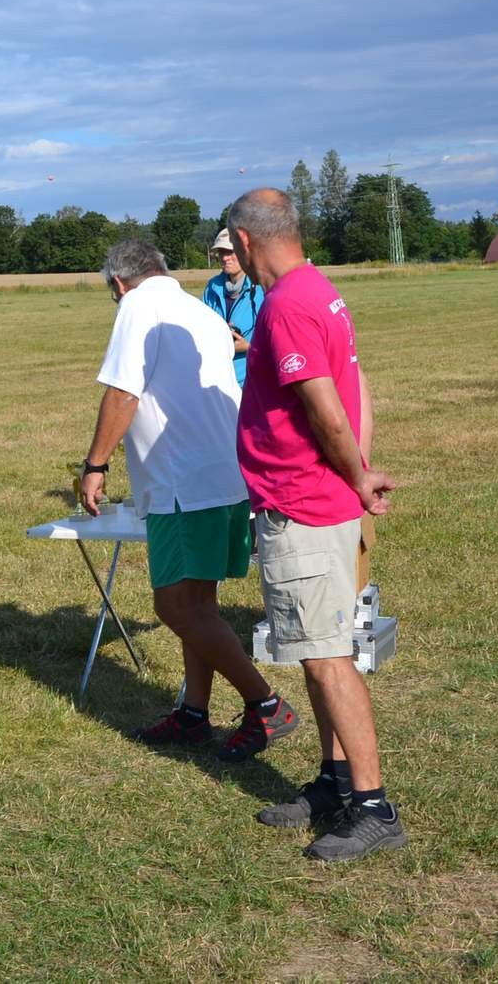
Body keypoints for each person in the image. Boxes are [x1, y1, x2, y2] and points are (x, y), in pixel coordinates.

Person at [226, 187, 405, 862]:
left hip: (303, 504)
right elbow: (360, 386)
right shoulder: (320, 291)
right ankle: (334, 783)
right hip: (317, 499)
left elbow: (325, 403)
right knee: (313, 646)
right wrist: (360, 469)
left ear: (246, 241)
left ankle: (373, 806)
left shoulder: (286, 306)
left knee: (328, 658)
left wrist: (356, 475)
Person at [78, 239, 301, 760]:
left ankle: (266, 705)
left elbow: (123, 392)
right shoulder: (198, 309)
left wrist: (95, 465)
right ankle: (194, 714)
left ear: (119, 283)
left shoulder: (138, 306)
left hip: (183, 483)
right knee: (199, 604)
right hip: (227, 477)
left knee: (174, 605)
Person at [200, 228, 261, 386]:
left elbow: (277, 342)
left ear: (245, 252)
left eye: (230, 252)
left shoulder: (262, 287)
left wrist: (249, 347)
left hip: (252, 382)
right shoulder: (212, 287)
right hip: (217, 381)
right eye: (221, 252)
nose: (225, 258)